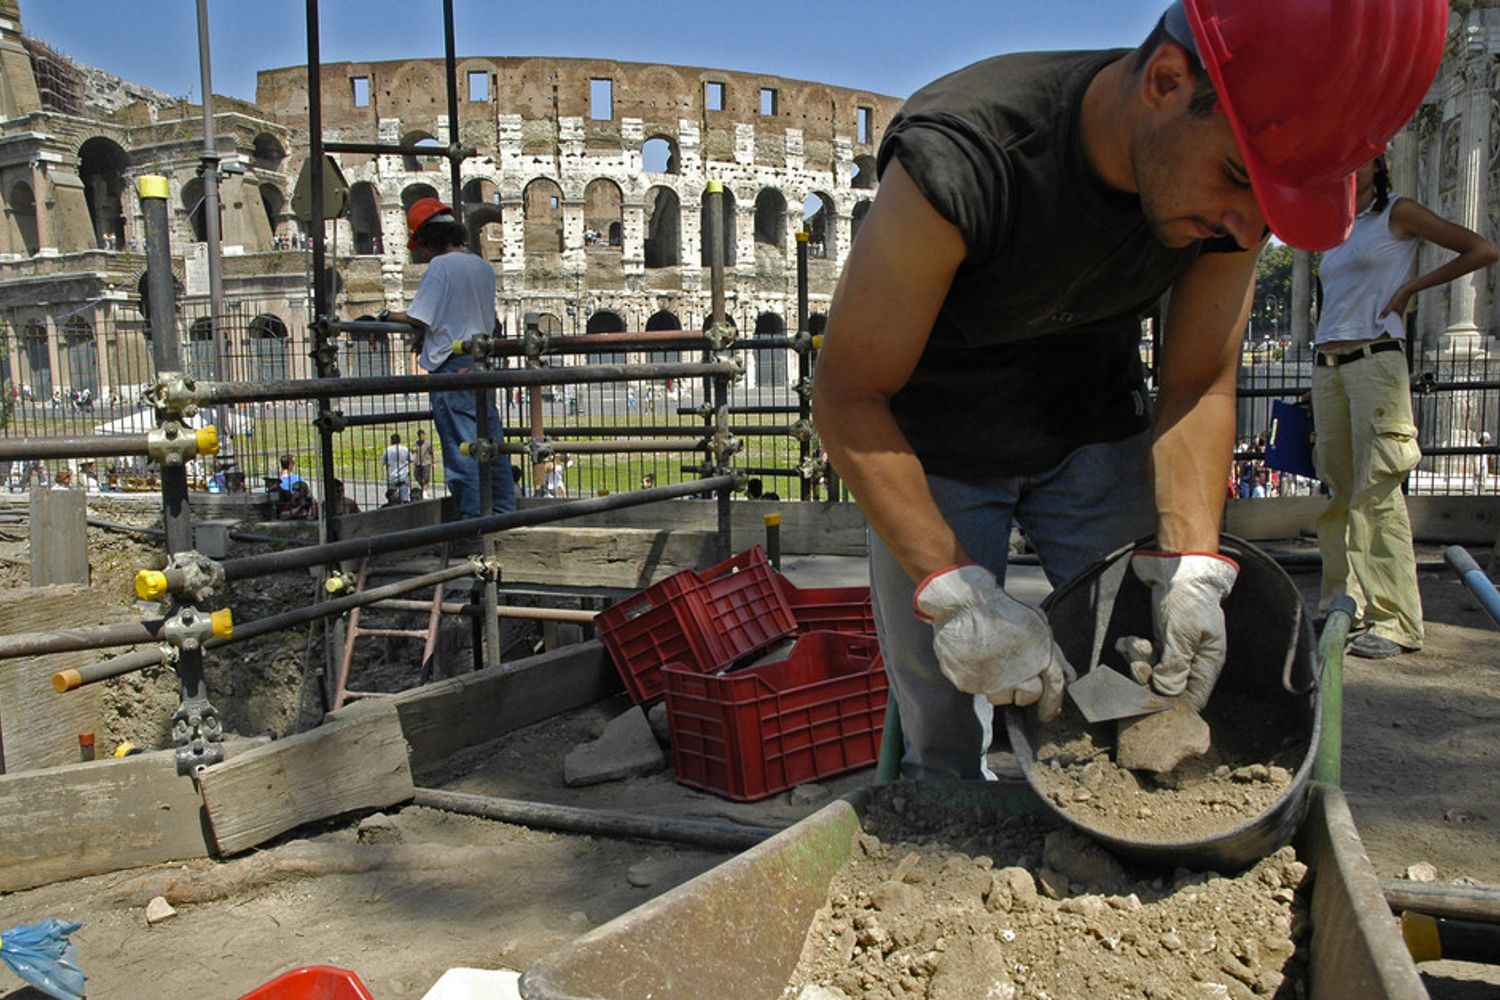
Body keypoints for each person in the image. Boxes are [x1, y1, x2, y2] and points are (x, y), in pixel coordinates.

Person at [811, 0, 1447, 780]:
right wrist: (957, 591)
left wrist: (1191, 563)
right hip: (933, 442)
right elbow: (848, 395)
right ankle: (943, 827)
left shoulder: (1229, 211)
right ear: (1167, 82)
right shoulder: (969, 154)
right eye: (1239, 179)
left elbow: (1200, 380)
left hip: (1091, 427)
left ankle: (1114, 824)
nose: (1245, 227)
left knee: (1140, 667)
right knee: (945, 702)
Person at [1312, 155, 1498, 660]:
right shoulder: (1335, 225)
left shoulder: (1399, 212)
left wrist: (1413, 288)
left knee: (1377, 491)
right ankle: (1340, 600)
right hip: (1328, 362)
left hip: (1375, 358)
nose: (1348, 168)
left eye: (1358, 159)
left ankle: (1396, 620)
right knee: (1337, 488)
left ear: (1377, 163)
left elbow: (1482, 249)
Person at [384, 198, 516, 519]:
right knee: (492, 446)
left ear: (430, 241)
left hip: (452, 367)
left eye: (423, 247)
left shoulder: (440, 267)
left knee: (462, 453)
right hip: (481, 363)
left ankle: (474, 525)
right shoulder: (483, 267)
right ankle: (505, 514)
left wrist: (387, 314)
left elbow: (421, 316)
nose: (423, 254)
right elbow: (459, 314)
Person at [382, 432, 412, 503]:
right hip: (403, 475)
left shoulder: (388, 450)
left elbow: (384, 462)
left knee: (392, 496)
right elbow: (411, 459)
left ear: (391, 440)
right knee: (405, 496)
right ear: (400, 440)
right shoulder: (405, 449)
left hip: (392, 475)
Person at [412, 428, 435, 496]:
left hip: (426, 462)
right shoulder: (416, 442)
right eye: (419, 436)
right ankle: (424, 488)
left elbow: (432, 453)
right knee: (417, 476)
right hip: (418, 463)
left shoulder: (428, 443)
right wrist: (413, 450)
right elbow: (412, 451)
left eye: (422, 435)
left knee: (426, 478)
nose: (421, 437)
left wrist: (433, 462)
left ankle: (424, 492)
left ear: (424, 435)